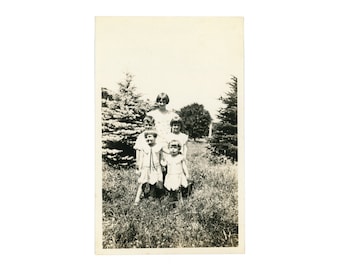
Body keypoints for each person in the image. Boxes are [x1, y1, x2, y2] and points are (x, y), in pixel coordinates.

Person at [134, 129, 163, 205]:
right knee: (142, 182)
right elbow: (141, 158)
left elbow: (160, 157)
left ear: (155, 137)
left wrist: (162, 165)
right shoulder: (144, 147)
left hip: (155, 167)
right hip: (145, 168)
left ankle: (152, 196)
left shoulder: (158, 147)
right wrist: (139, 167)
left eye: (150, 137)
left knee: (153, 182)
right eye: (146, 137)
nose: (148, 139)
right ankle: (137, 197)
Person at [163, 140, 190, 205]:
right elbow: (164, 164)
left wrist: (187, 174)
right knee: (170, 188)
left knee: (178, 188)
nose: (173, 150)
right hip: (170, 175)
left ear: (179, 149)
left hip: (178, 175)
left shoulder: (180, 157)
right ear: (169, 148)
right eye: (171, 147)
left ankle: (180, 201)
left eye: (175, 148)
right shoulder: (168, 157)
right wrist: (161, 161)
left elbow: (184, 166)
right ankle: (171, 199)